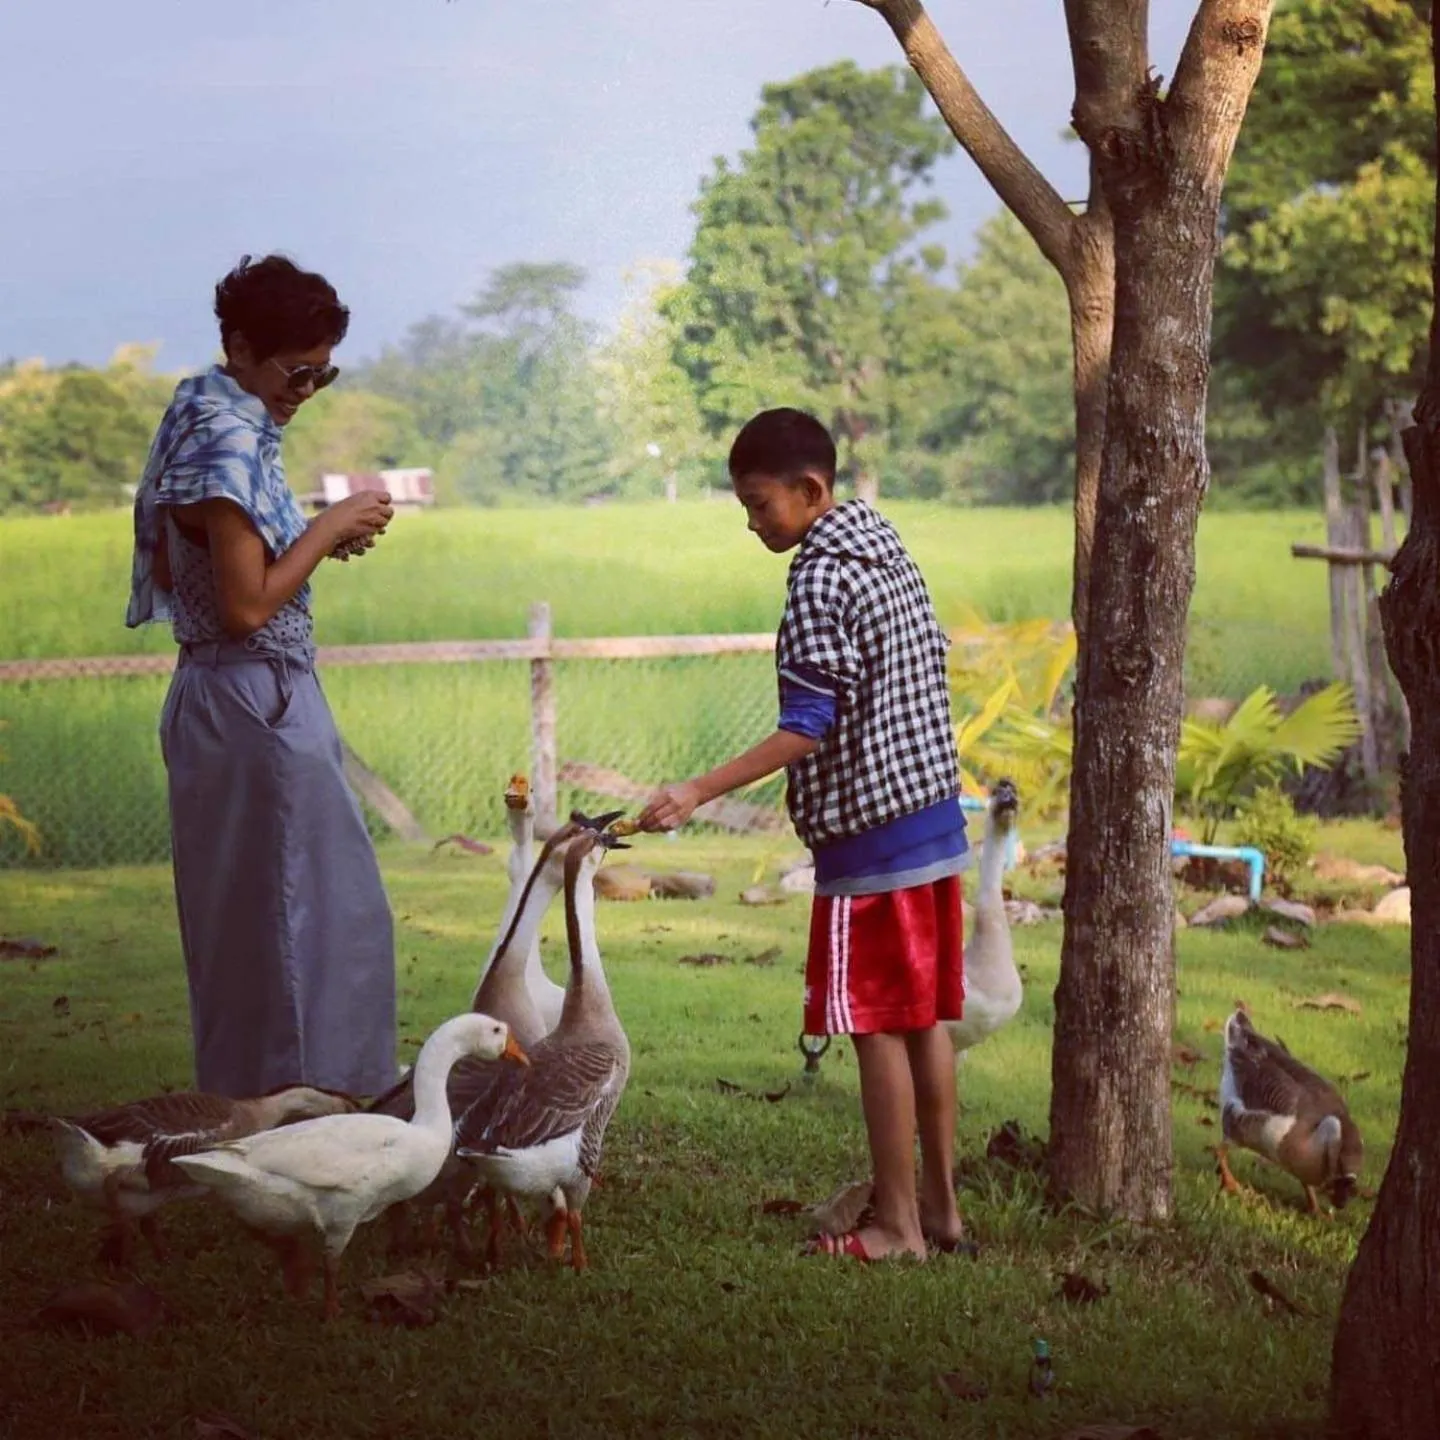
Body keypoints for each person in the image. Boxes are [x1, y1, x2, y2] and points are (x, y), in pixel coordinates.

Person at [638, 407, 969, 1262]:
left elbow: (807, 727)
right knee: (926, 1017)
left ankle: (895, 1226)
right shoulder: (884, 544)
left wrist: (695, 790)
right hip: (934, 818)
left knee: (875, 1026)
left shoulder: (820, 576)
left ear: (810, 490)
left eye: (758, 505)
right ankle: (941, 1212)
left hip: (872, 838)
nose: (753, 524)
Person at [125, 253, 397, 1100]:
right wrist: (327, 528)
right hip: (256, 699)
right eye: (297, 370)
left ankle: (259, 1115)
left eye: (324, 372)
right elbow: (245, 608)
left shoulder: (197, 415)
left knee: (250, 932)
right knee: (317, 928)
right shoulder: (227, 436)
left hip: (217, 697)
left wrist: (309, 545)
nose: (307, 388)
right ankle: (310, 1124)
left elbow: (184, 575)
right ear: (241, 347)